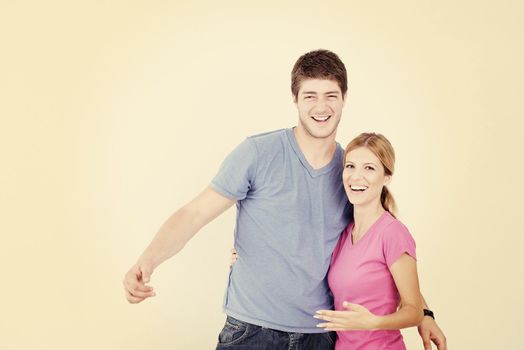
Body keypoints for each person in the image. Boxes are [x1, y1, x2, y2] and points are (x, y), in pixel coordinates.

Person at [122, 49, 447, 350]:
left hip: (319, 336)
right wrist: (146, 261)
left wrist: (425, 311)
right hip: (251, 331)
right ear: (295, 99)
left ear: (344, 99)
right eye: (310, 96)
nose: (321, 107)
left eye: (331, 96)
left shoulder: (351, 172)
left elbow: (381, 249)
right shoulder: (257, 153)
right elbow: (194, 214)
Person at [314, 133, 423, 349]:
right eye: (351, 166)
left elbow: (414, 310)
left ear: (386, 177)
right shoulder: (343, 233)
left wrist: (374, 322)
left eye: (369, 168)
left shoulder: (393, 233)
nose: (356, 176)